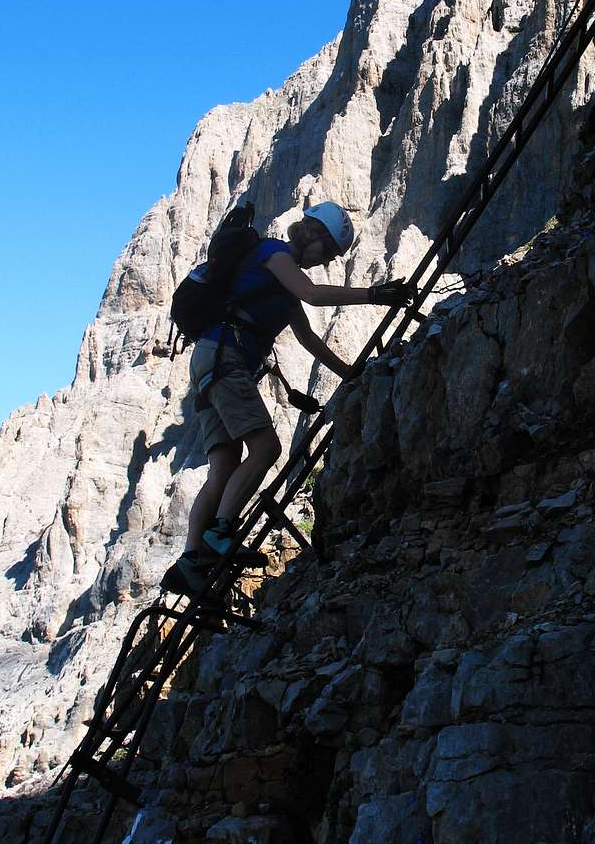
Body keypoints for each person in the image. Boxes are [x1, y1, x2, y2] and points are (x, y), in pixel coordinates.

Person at [163, 202, 410, 598]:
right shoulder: (275, 255)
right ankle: (221, 532)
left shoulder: (277, 276)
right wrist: (375, 294)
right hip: (226, 357)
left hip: (209, 359)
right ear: (311, 234)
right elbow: (311, 295)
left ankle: (191, 561)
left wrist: (350, 374)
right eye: (325, 251)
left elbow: (308, 339)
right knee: (266, 448)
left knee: (224, 464)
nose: (323, 260)